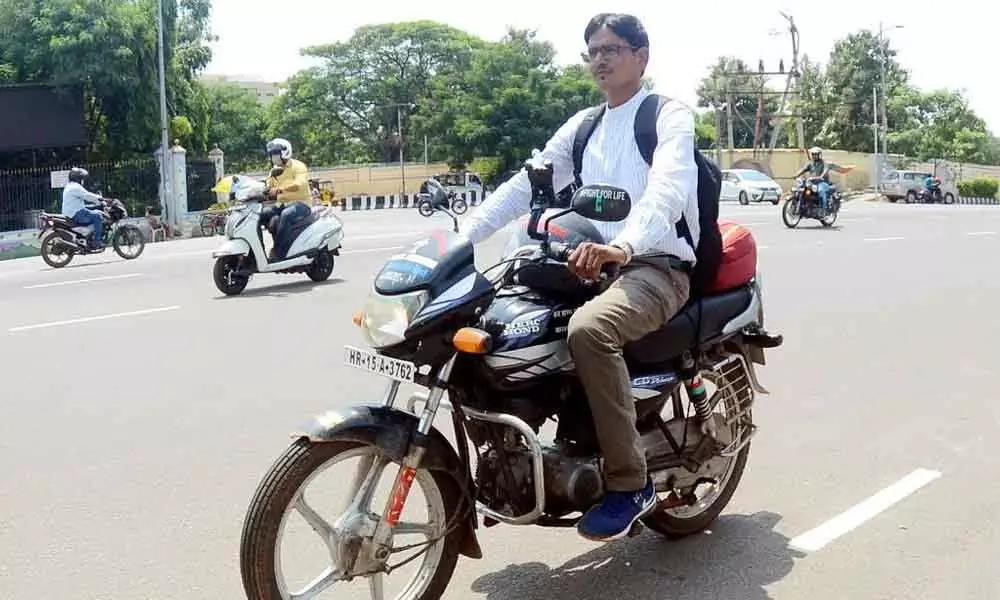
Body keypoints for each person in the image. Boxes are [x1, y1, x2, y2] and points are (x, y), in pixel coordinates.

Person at [460, 13, 699, 542]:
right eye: (593, 50)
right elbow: (529, 182)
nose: (601, 59)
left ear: (642, 56)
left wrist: (623, 244)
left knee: (589, 331)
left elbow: (668, 188)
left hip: (653, 265)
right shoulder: (584, 124)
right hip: (581, 261)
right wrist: (464, 237)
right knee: (494, 325)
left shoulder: (666, 116)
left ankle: (629, 482)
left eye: (613, 48)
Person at [263, 138, 311, 261]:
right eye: (272, 154)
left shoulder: (298, 166)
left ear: (285, 152)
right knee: (262, 214)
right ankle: (256, 253)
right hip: (282, 204)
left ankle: (280, 252)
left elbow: (299, 184)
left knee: (285, 215)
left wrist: (280, 189)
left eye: (276, 153)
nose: (274, 157)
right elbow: (268, 187)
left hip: (301, 204)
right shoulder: (274, 170)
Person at [60, 167, 105, 250]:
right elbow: (87, 195)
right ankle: (97, 242)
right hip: (76, 214)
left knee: (96, 212)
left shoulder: (69, 186)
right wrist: (99, 198)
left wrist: (95, 203)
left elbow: (80, 203)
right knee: (98, 216)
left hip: (71, 212)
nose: (83, 181)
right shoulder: (76, 187)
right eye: (82, 178)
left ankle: (88, 237)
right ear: (78, 178)